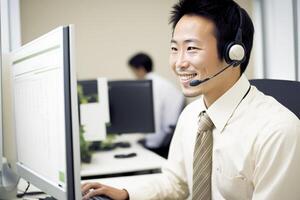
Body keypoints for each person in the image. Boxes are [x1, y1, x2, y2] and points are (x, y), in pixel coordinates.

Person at [82, 0, 300, 199]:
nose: (179, 63)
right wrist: (126, 193)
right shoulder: (191, 115)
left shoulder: (277, 131)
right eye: (175, 49)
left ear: (234, 54)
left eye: (192, 48)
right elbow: (176, 183)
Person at [128, 52, 185, 158]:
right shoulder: (159, 82)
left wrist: (150, 144)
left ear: (140, 69)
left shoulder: (152, 85)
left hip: (165, 139)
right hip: (169, 134)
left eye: (134, 71)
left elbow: (155, 116)